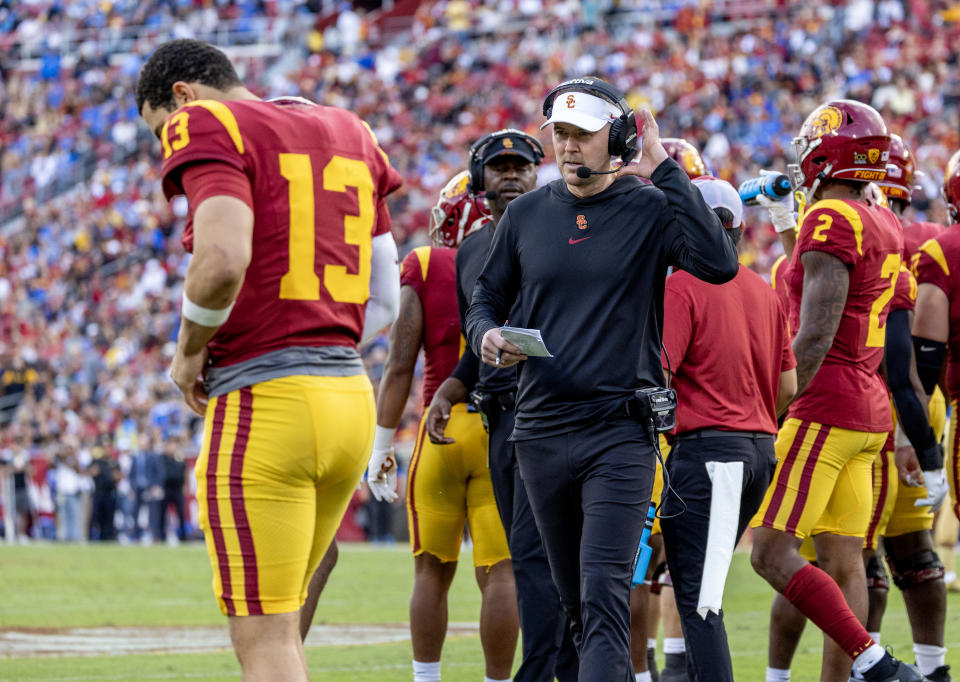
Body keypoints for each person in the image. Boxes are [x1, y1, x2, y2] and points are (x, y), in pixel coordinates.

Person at [136, 38, 402, 681]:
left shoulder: (206, 121)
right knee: (286, 624)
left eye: (158, 129)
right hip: (347, 395)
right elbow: (387, 293)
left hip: (266, 402)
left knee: (264, 640)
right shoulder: (348, 128)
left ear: (182, 96)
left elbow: (223, 261)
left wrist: (187, 352)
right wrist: (318, 340)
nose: (165, 141)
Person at [465, 76, 739, 682]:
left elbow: (719, 263)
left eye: (582, 135)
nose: (566, 147)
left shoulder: (647, 205)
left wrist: (662, 163)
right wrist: (485, 335)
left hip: (618, 435)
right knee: (575, 608)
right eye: (559, 134)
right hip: (538, 433)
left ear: (614, 138)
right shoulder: (528, 213)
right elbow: (485, 296)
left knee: (603, 601)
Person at [749, 99, 924, 682]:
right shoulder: (882, 220)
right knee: (845, 563)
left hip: (824, 406)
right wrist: (784, 227)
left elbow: (818, 329)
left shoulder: (831, 219)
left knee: (770, 553)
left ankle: (874, 664)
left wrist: (771, 408)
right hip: (868, 410)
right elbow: (824, 281)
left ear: (827, 150)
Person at [426, 129, 580, 682]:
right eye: (500, 167)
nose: (512, 174)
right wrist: (452, 388)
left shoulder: (562, 228)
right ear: (478, 180)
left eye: (521, 166)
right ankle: (559, 665)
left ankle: (543, 669)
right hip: (501, 415)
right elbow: (482, 339)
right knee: (529, 550)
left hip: (556, 409)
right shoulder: (469, 250)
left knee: (545, 553)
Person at [366, 169, 517, 682]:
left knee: (430, 570)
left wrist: (381, 445)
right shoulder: (520, 256)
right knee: (501, 573)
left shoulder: (428, 263)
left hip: (441, 428)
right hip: (500, 429)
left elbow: (400, 364)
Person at [657, 177, 797, 682]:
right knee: (702, 592)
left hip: (710, 454)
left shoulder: (682, 285)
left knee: (700, 600)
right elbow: (788, 385)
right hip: (758, 449)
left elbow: (660, 374)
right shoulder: (762, 291)